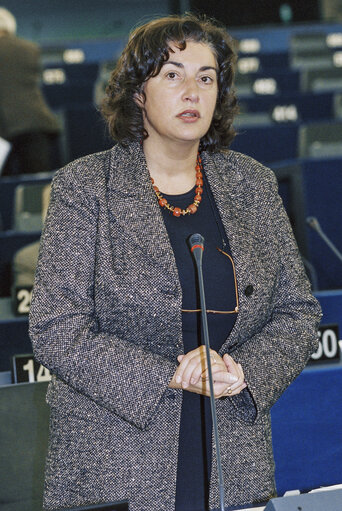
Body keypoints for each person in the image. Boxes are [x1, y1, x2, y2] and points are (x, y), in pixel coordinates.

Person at [29, 13, 322, 511]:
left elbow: (298, 312)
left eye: (206, 78)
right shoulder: (84, 187)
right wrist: (169, 374)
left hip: (234, 454)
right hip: (115, 456)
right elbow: (56, 326)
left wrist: (244, 371)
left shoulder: (252, 185)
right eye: (172, 74)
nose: (193, 91)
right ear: (138, 94)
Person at [0, 7, 60, 176]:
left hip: (3, 129)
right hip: (35, 125)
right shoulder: (30, 49)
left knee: (5, 192)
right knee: (36, 186)